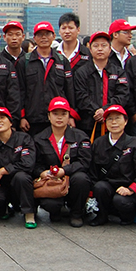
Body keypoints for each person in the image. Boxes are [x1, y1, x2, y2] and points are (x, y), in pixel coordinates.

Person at [32, 97, 93, 227]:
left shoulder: (81, 137)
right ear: (49, 116)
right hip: (51, 181)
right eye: (55, 114)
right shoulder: (39, 138)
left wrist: (64, 171)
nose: (59, 117)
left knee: (81, 179)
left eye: (63, 114)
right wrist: (42, 173)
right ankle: (56, 211)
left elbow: (85, 162)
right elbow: (35, 164)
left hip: (72, 179)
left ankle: (76, 213)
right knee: (51, 205)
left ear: (69, 116)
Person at [88, 105, 136, 226]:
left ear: (126, 121)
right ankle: (102, 215)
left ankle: (127, 217)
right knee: (100, 187)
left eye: (117, 118)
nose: (114, 122)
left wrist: (131, 189)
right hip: (108, 186)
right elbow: (93, 171)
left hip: (128, 188)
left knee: (120, 201)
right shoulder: (98, 143)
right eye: (110, 119)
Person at [16, 21, 73, 134]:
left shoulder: (62, 61)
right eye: (40, 35)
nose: (43, 37)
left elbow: (69, 90)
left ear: (54, 36)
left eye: (47, 34)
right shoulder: (24, 62)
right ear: (34, 38)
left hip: (58, 117)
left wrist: (71, 115)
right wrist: (22, 117)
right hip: (32, 119)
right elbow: (19, 91)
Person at [0, 107, 38, 228]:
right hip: (1, 184)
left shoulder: (24, 138)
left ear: (10, 122)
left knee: (21, 177)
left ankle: (29, 213)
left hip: (21, 183)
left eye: (2, 118)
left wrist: (6, 169)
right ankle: (3, 210)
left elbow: (28, 163)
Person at [73, 31, 129, 137]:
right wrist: (97, 111)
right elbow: (81, 96)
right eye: (96, 46)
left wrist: (105, 110)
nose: (100, 49)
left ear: (110, 48)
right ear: (90, 49)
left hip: (113, 123)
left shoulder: (118, 72)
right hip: (88, 124)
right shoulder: (81, 72)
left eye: (104, 45)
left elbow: (122, 95)